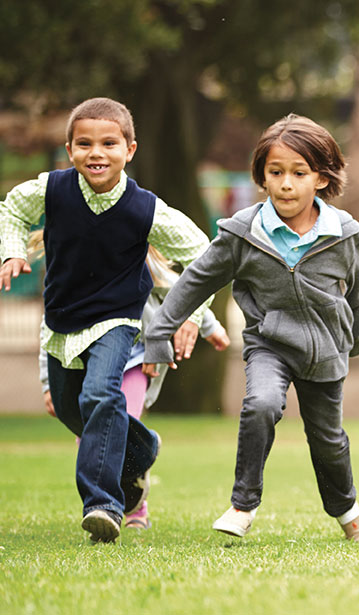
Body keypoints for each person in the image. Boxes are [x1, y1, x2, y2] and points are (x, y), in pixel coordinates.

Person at [143, 114, 359, 542]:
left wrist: (353, 341)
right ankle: (242, 505)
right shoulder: (242, 233)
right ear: (262, 178)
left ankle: (346, 510)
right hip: (269, 343)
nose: (286, 183)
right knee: (262, 405)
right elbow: (196, 279)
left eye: (298, 173)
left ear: (321, 179)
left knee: (327, 440)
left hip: (326, 349)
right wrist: (159, 333)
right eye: (276, 172)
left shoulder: (346, 234)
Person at [0, 97, 212, 543]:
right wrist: (14, 250)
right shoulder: (52, 191)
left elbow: (200, 254)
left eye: (109, 143)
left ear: (129, 150)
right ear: (69, 149)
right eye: (84, 143)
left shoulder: (145, 208)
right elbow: (14, 208)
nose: (96, 152)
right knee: (72, 408)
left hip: (118, 319)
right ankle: (143, 446)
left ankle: (103, 505)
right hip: (62, 321)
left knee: (100, 394)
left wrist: (194, 313)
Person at [36, 244, 231, 530]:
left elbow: (184, 292)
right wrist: (47, 383)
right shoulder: (71, 275)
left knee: (113, 430)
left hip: (137, 360)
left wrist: (209, 326)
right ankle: (141, 452)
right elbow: (50, 329)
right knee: (92, 438)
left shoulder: (140, 261)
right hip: (89, 363)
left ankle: (134, 509)